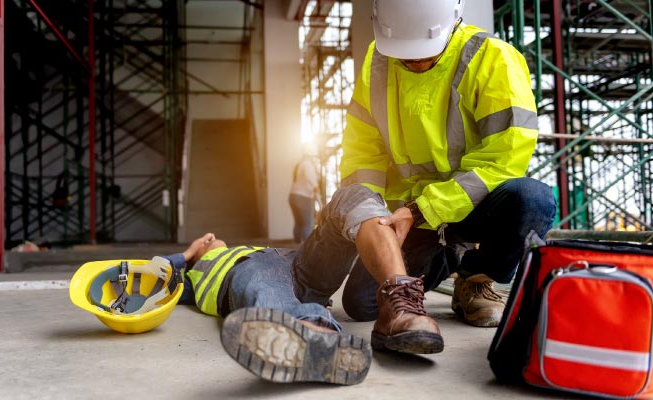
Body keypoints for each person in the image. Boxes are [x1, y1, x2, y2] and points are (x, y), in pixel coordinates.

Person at [289, 0, 556, 355]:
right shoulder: (378, 62)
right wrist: (368, 216)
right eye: (405, 54)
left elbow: (505, 159)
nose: (414, 61)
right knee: (362, 305)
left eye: (425, 53)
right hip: (411, 216)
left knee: (533, 199)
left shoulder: (492, 59)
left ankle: (476, 280)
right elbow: (364, 153)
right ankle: (450, 255)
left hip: (473, 205)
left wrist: (421, 210)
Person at [162, 233, 372, 385]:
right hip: (254, 271)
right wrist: (186, 254)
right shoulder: (192, 276)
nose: (211, 236)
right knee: (265, 286)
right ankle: (318, 337)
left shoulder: (243, 248)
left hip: (294, 264)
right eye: (204, 240)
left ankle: (313, 338)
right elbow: (146, 277)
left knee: (338, 219)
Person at [288, 150, 320, 243]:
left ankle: (295, 246)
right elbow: (311, 178)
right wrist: (316, 187)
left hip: (293, 196)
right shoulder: (307, 164)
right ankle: (308, 249)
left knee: (298, 223)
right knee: (307, 224)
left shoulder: (299, 164)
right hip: (303, 197)